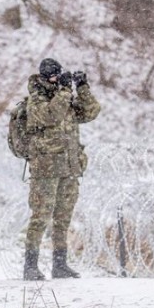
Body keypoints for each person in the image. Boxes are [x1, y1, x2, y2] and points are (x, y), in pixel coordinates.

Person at [23, 58, 101, 280]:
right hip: (46, 170)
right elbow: (50, 115)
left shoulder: (63, 97)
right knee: (41, 216)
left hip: (68, 167)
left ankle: (60, 264)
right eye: (55, 77)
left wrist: (82, 88)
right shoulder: (36, 99)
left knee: (63, 218)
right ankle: (30, 266)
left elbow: (91, 111)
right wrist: (65, 91)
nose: (58, 80)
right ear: (46, 77)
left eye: (60, 76)